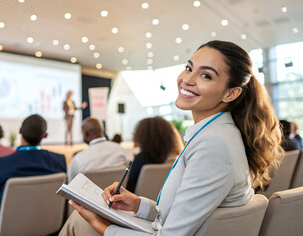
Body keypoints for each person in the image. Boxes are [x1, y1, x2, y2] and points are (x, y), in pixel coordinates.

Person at [59, 40, 284, 236]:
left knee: (79, 221)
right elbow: (183, 216)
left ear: (231, 93)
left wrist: (99, 224)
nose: (187, 79)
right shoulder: (218, 134)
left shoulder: (213, 145)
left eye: (205, 75)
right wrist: (137, 205)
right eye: (188, 68)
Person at [0, 114, 67, 236]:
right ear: (45, 135)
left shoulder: (0, 165)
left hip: (4, 230)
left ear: (20, 131)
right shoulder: (59, 162)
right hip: (48, 229)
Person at [126, 116, 183, 193]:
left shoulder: (140, 160)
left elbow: (129, 190)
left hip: (139, 203)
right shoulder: (175, 160)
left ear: (142, 137)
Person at [67, 117, 128, 182]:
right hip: (117, 192)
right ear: (103, 130)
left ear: (85, 134)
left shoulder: (78, 159)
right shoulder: (121, 151)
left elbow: (71, 185)